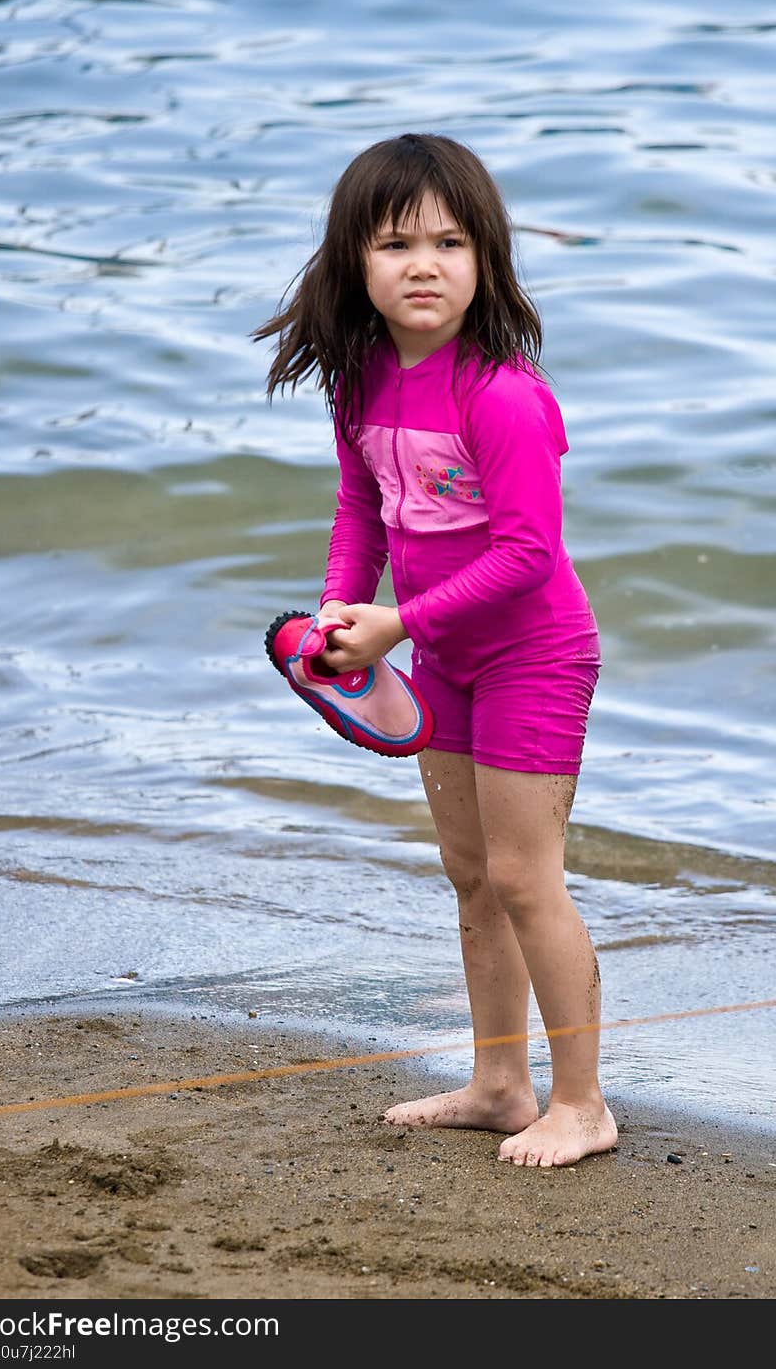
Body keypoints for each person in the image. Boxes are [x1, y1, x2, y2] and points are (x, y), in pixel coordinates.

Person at [254, 132, 617, 1167]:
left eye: (451, 243)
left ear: (486, 261)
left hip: (530, 653)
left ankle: (581, 1102)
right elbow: (361, 510)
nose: (424, 264)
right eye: (396, 243)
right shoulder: (360, 381)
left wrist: (397, 624)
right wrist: (338, 612)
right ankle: (502, 1082)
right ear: (351, 264)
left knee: (524, 875)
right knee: (469, 874)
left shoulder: (499, 394)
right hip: (442, 657)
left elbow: (527, 554)